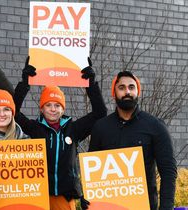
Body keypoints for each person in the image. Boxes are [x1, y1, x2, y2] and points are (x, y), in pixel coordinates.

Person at [13, 57, 107, 210]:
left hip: (65, 197)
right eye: (48, 105)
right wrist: (25, 83)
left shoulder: (73, 129)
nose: (53, 109)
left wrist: (90, 84)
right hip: (39, 195)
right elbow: (13, 113)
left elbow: (100, 113)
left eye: (57, 105)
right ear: (41, 109)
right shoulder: (35, 128)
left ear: (63, 109)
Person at [89, 71, 177, 210]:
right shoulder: (101, 127)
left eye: (131, 87)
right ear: (114, 93)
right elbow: (92, 175)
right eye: (121, 88)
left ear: (138, 92)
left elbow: (168, 172)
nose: (127, 92)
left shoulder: (156, 126)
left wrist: (166, 208)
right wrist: (88, 199)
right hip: (108, 207)